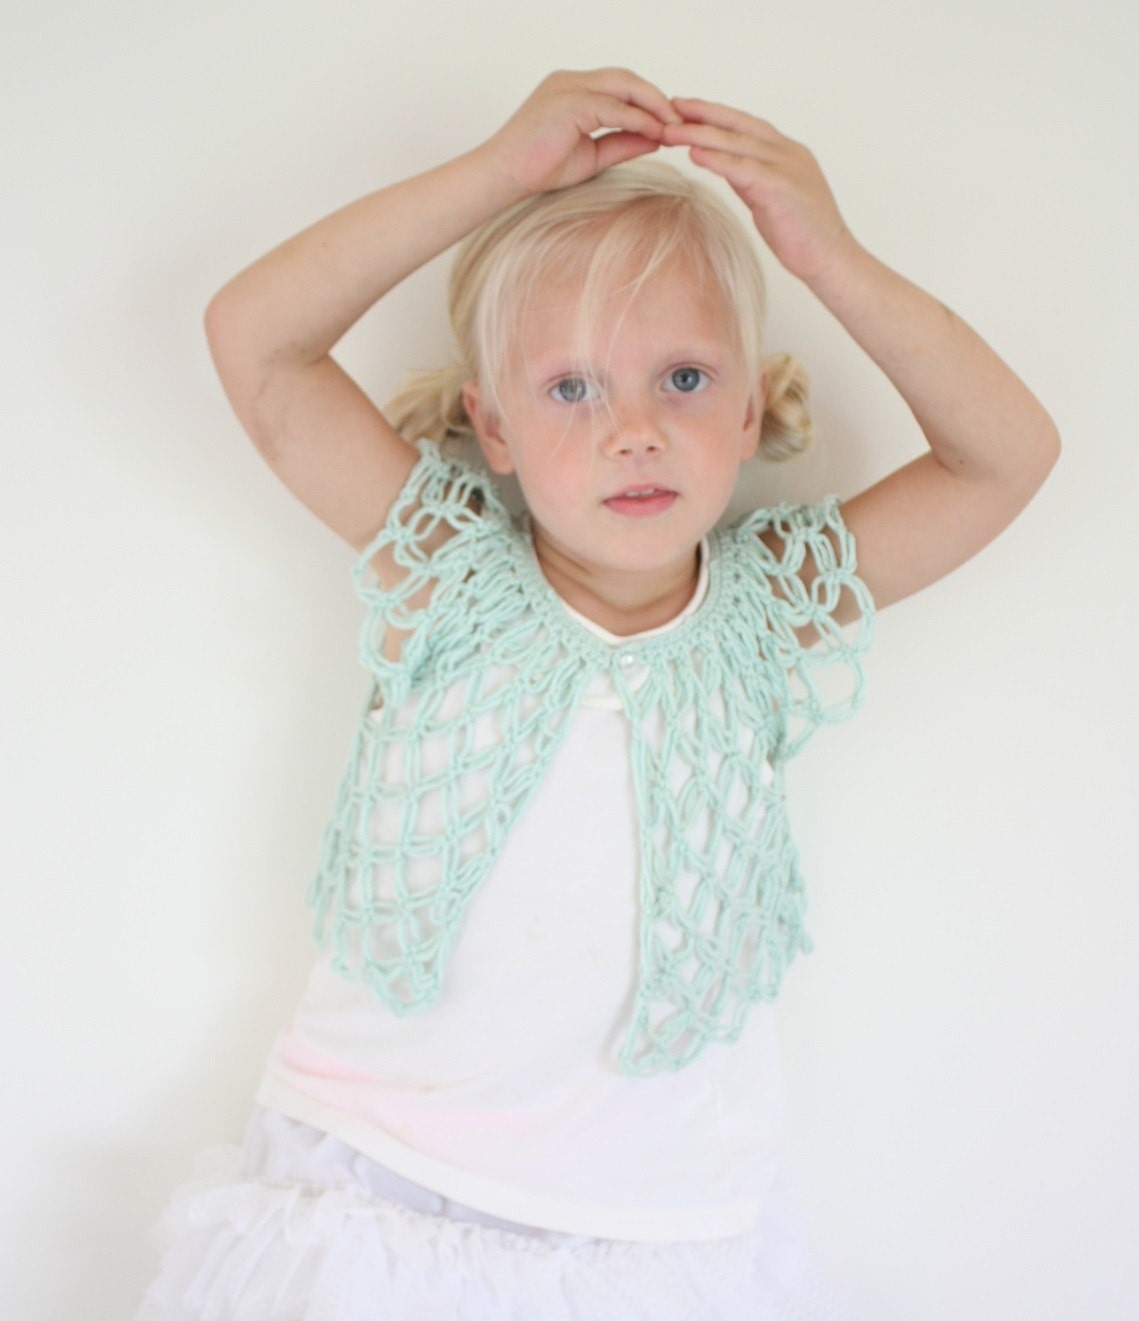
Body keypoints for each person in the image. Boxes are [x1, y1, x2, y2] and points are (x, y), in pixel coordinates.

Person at [137, 68, 1059, 1320]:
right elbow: (257, 340)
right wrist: (492, 174)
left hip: (657, 1221)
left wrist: (825, 255)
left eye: (681, 378)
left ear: (749, 406)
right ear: (494, 429)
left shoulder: (766, 610)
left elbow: (1004, 455)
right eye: (571, 387)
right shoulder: (447, 573)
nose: (634, 429)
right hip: (384, 1178)